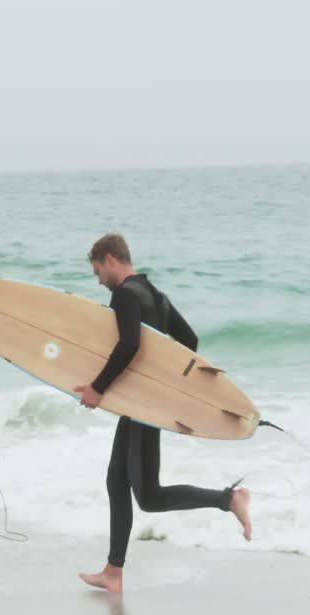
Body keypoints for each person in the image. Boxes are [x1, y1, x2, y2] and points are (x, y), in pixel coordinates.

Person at [73, 235, 251, 592]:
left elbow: (130, 344)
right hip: (143, 404)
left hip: (142, 407)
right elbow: (190, 342)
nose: (97, 280)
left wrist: (99, 387)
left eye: (97, 271)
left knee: (149, 496)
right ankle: (113, 571)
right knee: (116, 481)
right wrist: (165, 387)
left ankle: (229, 499)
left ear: (110, 260)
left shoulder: (124, 295)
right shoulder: (154, 295)